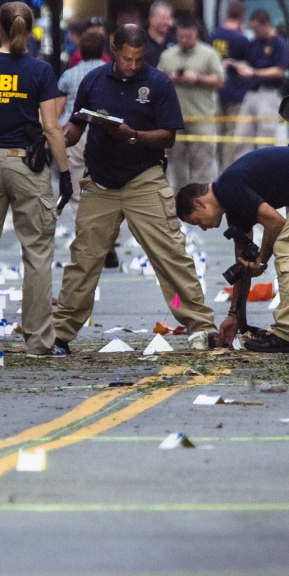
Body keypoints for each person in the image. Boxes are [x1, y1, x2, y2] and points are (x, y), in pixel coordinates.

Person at [54, 24, 218, 353]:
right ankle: (61, 332)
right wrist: (61, 137)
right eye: (127, 58)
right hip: (99, 179)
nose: (132, 65)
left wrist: (133, 135)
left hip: (144, 177)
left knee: (170, 254)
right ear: (113, 51)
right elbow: (76, 122)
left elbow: (169, 135)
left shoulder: (157, 82)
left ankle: (200, 326)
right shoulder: (92, 80)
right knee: (84, 258)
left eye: (139, 59)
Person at [0, 1, 71, 358]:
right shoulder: (40, 71)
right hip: (27, 166)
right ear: (31, 28)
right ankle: (38, 342)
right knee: (36, 253)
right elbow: (51, 128)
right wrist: (64, 174)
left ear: (0, 30)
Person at [176, 147, 289, 353]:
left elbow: (275, 223)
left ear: (199, 203)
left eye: (197, 221)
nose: (204, 228)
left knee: (288, 248)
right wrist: (234, 317)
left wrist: (260, 261)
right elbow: (242, 264)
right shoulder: (231, 202)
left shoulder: (230, 188)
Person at [157, 15, 225, 191]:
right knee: (176, 162)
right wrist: (170, 79)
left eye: (187, 36)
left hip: (202, 118)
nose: (183, 40)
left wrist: (198, 78)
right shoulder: (167, 55)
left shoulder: (209, 54)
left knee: (203, 162)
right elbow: (156, 81)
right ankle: (181, 199)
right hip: (175, 119)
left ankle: (201, 198)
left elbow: (220, 80)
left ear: (196, 34)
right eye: (180, 37)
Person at [55, 28, 108, 230]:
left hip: (74, 134)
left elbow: (59, 109)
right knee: (105, 188)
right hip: (104, 135)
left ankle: (83, 233)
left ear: (81, 50)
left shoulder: (69, 75)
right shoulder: (110, 72)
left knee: (78, 190)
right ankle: (110, 239)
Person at [230, 10, 289, 159]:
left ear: (266, 25)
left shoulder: (278, 43)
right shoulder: (254, 43)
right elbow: (248, 63)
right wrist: (236, 64)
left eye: (257, 28)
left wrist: (255, 72)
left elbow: (280, 71)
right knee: (241, 137)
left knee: (265, 139)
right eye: (253, 29)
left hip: (268, 94)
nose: (254, 32)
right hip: (250, 94)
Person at [209, 0, 249, 171]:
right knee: (230, 135)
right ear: (242, 15)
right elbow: (247, 66)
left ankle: (215, 168)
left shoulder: (213, 35)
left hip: (216, 91)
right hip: (235, 92)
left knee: (216, 133)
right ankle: (227, 169)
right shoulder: (241, 39)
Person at [145, 0, 174, 68]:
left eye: (168, 18)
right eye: (162, 18)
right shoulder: (141, 41)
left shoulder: (176, 40)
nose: (166, 22)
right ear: (151, 18)